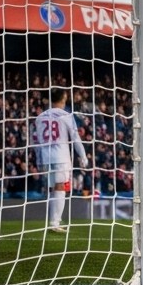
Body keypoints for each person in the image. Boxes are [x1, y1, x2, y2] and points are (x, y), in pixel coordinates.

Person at [32, 87, 87, 233]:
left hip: (45, 157)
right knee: (61, 187)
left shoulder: (40, 117)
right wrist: (83, 156)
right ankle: (55, 222)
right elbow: (75, 138)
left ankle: (54, 220)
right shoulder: (66, 116)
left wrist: (38, 160)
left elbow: (36, 141)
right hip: (61, 157)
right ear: (63, 99)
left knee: (53, 189)